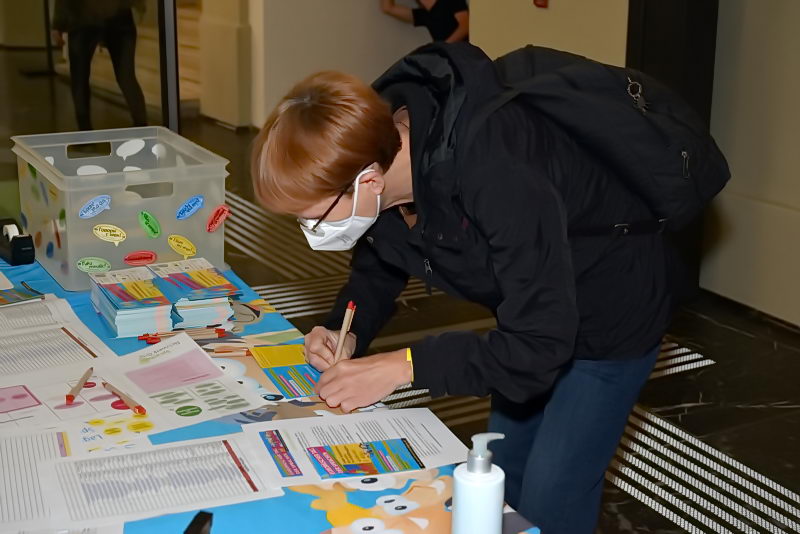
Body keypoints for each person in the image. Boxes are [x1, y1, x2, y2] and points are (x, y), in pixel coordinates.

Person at [250, 42, 672, 533]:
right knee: (502, 478)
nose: (311, 233)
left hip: (609, 311)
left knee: (552, 495)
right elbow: (379, 264)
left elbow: (537, 347)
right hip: (528, 311)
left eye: (314, 217)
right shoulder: (377, 156)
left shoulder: (496, 170)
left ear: (368, 182)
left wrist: (404, 365)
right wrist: (346, 328)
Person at [52, 0, 148, 130]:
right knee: (126, 77)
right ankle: (142, 126)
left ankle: (85, 133)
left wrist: (58, 23)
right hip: (116, 17)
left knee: (80, 78)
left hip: (85, 17)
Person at [380, 0, 469, 43]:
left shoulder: (450, 1)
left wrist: (443, 46)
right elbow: (388, 8)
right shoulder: (424, 14)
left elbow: (466, 26)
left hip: (466, 56)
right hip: (450, 61)